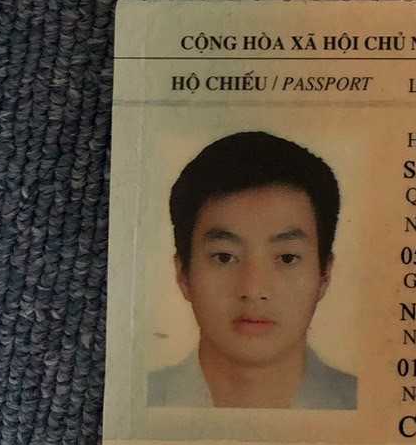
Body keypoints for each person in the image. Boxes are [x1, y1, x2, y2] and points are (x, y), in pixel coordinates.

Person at [148, 130, 357, 410]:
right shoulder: (138, 401)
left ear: (324, 275)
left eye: (287, 258)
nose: (254, 289)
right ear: (183, 274)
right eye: (224, 257)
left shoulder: (367, 405)